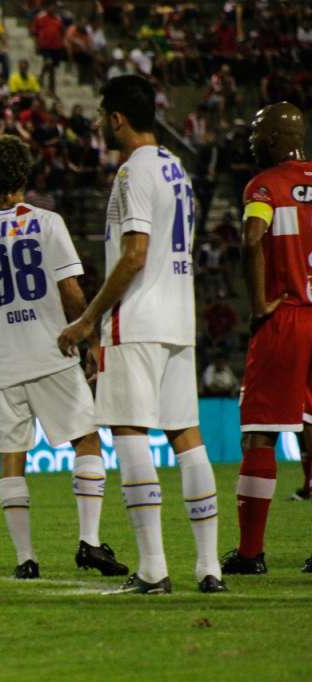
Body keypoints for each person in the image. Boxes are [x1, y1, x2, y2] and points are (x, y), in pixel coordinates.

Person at [58, 76, 225, 594]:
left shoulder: (133, 173)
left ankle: (153, 567)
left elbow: (134, 255)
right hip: (179, 318)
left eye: (104, 115)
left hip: (136, 321)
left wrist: (89, 319)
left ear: (117, 119)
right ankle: (209, 567)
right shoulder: (178, 169)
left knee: (129, 432)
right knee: (186, 436)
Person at [0, 134, 127, 580]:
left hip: (2, 364)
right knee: (86, 440)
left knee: (11, 458)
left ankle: (26, 559)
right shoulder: (47, 223)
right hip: (53, 354)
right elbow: (70, 290)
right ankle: (88, 541)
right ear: (25, 175)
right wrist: (88, 338)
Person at [221, 102, 312, 576]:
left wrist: (258, 305)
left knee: (260, 432)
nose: (253, 142)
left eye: (259, 132)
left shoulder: (265, 186)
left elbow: (252, 237)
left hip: (288, 317)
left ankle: (251, 553)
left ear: (279, 138)